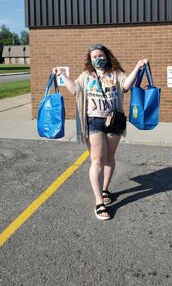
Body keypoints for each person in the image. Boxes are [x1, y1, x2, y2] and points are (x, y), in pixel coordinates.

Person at [53, 44, 148, 221]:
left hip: (114, 120)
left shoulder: (116, 74)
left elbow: (126, 86)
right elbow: (75, 90)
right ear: (90, 59)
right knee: (97, 159)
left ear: (107, 56)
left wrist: (137, 67)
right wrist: (62, 75)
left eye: (100, 55)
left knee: (109, 157)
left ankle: (105, 189)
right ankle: (99, 202)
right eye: (94, 56)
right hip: (93, 121)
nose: (97, 58)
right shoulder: (85, 76)